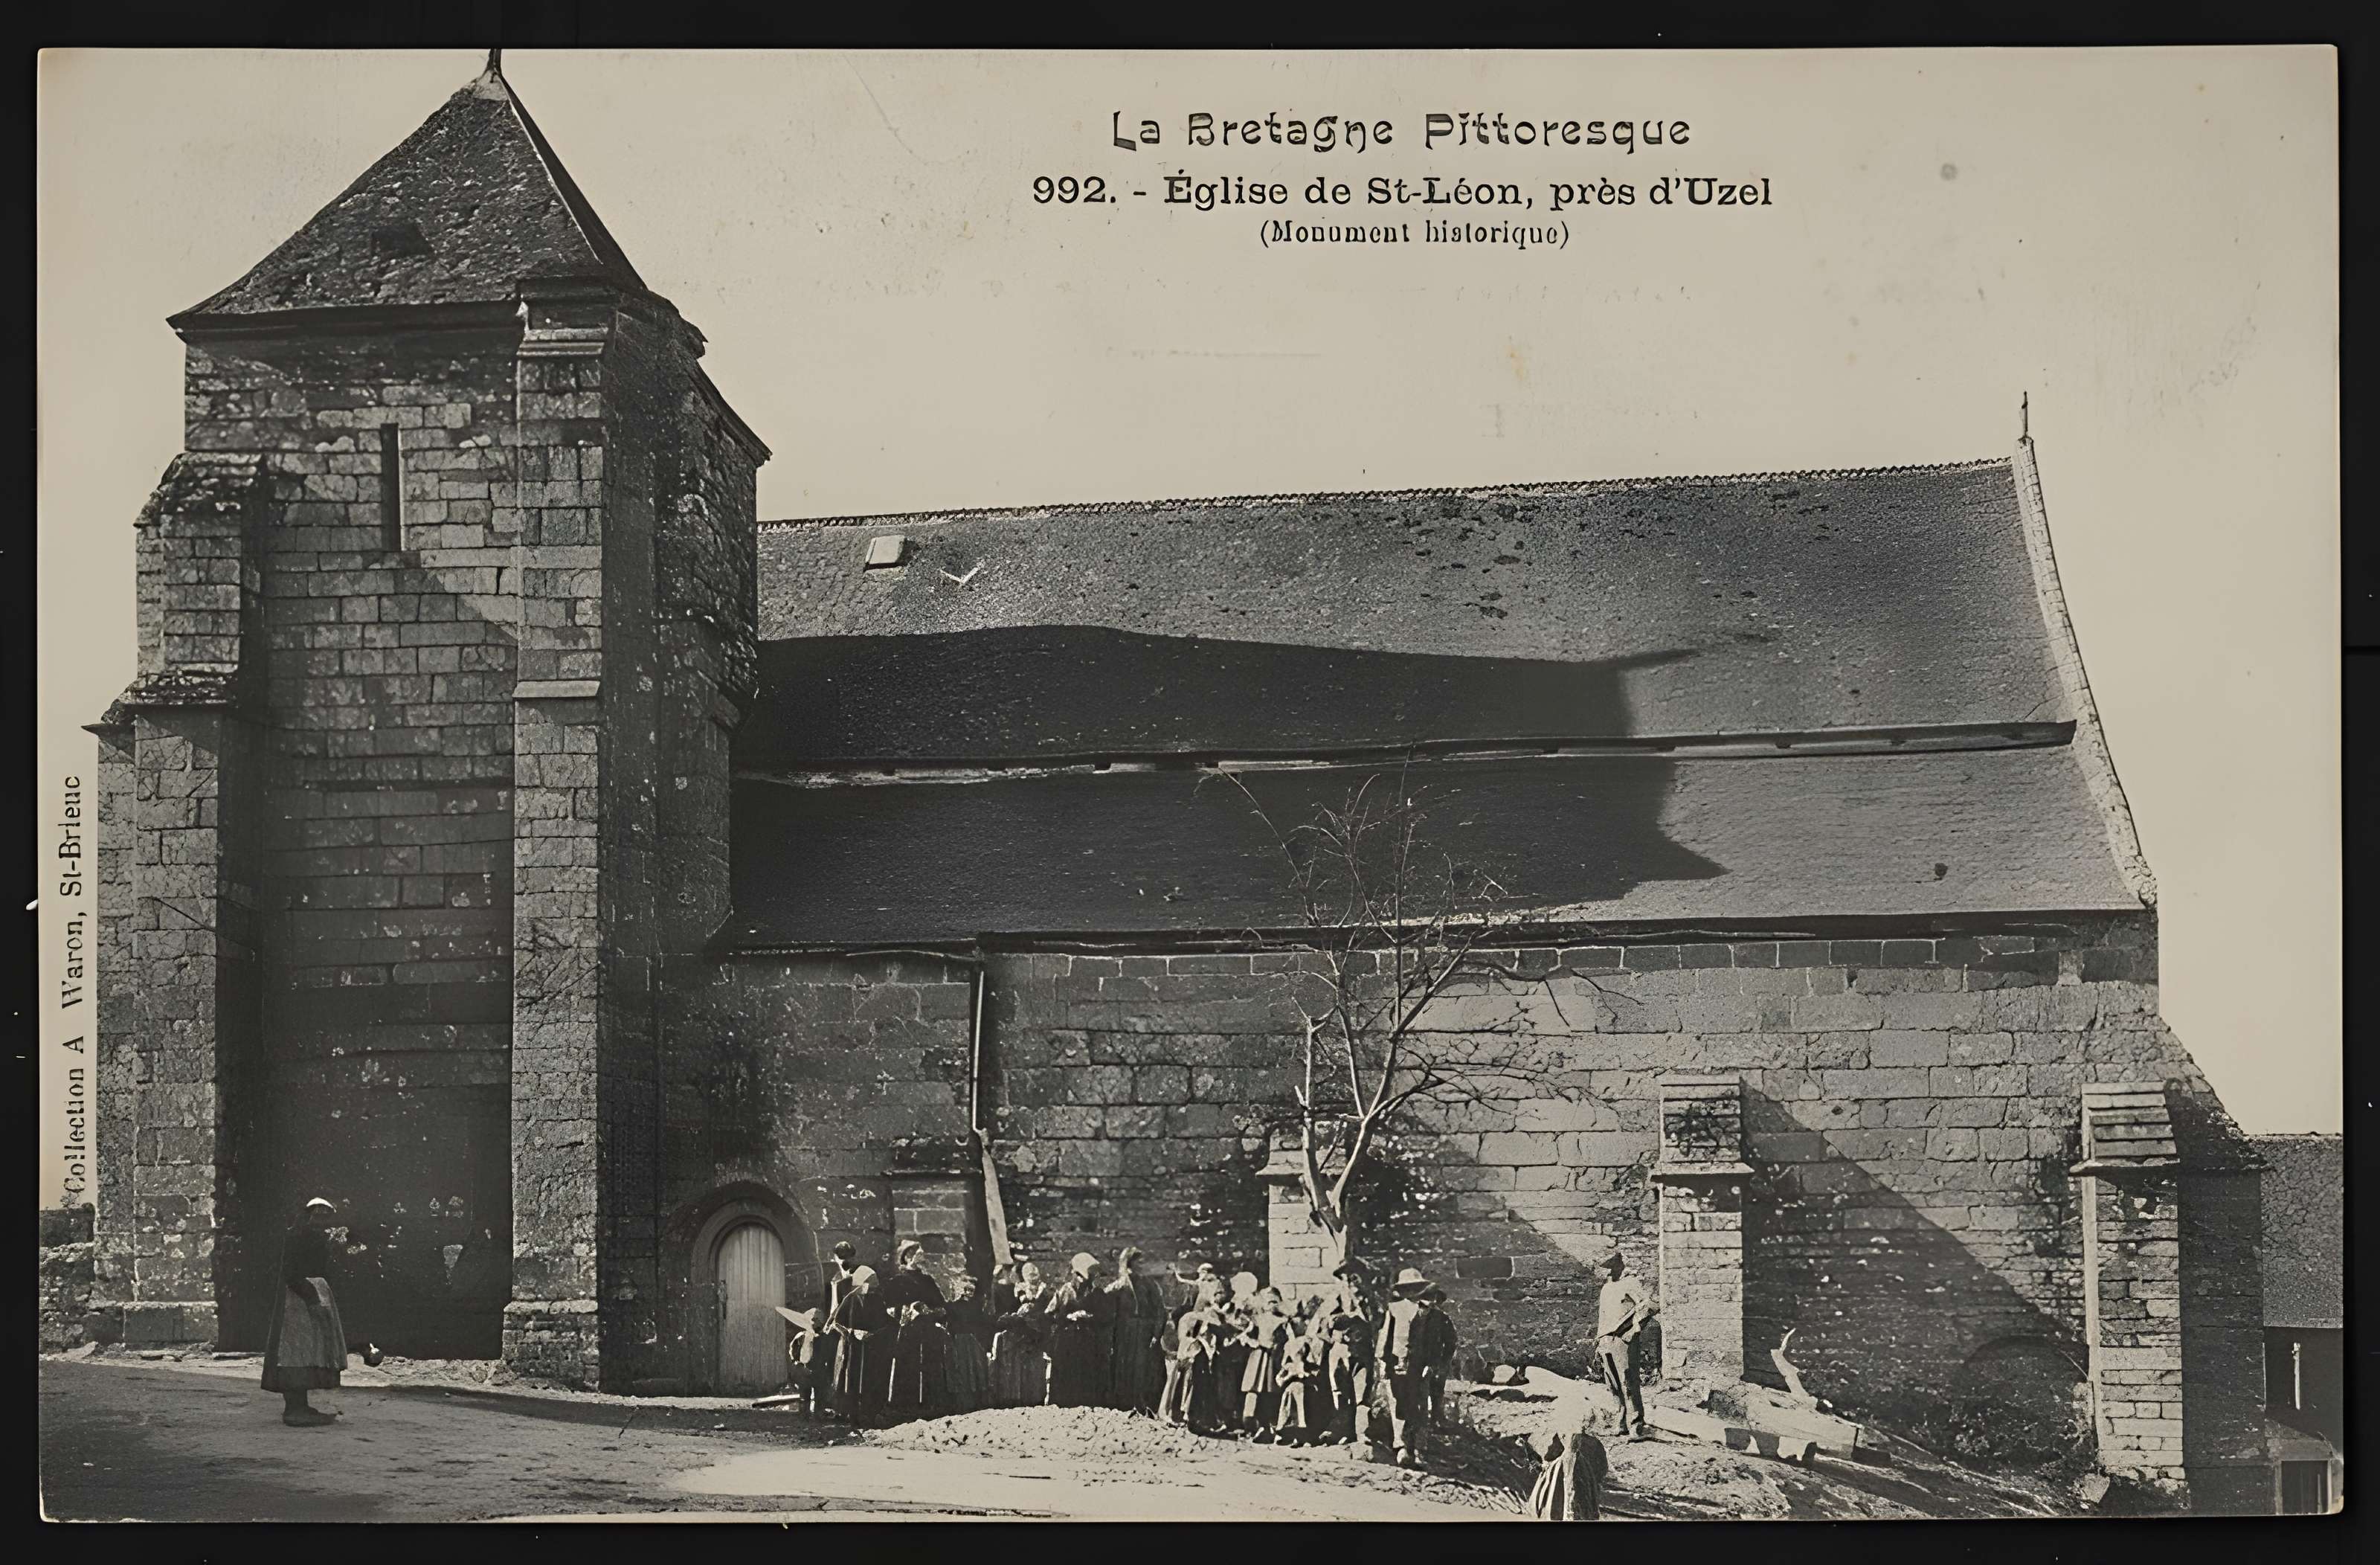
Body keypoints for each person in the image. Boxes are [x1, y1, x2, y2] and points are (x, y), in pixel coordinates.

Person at [261, 1198, 351, 1427]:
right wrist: (311, 1298)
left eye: (325, 1216)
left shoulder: (316, 1237)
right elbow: (292, 1273)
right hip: (297, 1299)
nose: (320, 1221)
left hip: (311, 1295)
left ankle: (300, 1405)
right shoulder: (296, 1236)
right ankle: (294, 1409)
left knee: (309, 1350)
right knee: (295, 1351)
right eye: (317, 1215)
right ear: (308, 1214)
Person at [878, 1240, 951, 1420]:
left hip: (928, 1332)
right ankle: (905, 1405)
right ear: (908, 1257)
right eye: (918, 1252)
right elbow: (887, 1308)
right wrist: (909, 1309)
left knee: (929, 1364)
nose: (922, 1255)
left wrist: (929, 1311)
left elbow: (942, 1307)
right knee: (907, 1365)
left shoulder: (928, 1281)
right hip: (907, 1331)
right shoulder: (897, 1281)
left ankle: (930, 1403)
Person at [1592, 1250, 1659, 1442]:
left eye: (1611, 1267)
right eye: (1605, 1269)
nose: (1609, 1272)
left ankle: (1636, 1425)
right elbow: (1603, 1317)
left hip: (1623, 1340)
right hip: (1606, 1340)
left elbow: (1650, 1305)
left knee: (1628, 1382)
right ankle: (1620, 1423)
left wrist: (1634, 1329)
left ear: (1620, 1266)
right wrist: (1599, 1339)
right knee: (1612, 1384)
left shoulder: (1630, 1284)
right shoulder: (1606, 1290)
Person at [1376, 1266, 1436, 1468]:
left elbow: (1432, 1341)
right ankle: (1401, 1448)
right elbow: (1385, 1337)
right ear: (1401, 1291)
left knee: (1419, 1405)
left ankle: (1418, 1449)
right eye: (1407, 1288)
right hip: (1398, 1366)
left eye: (1415, 1288)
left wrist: (1431, 1365)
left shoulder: (1426, 1311)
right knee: (1398, 1405)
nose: (1411, 1292)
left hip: (1419, 1367)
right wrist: (1383, 1363)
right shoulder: (1394, 1309)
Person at [1322, 1258, 1382, 1453]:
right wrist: (1336, 1321)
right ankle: (1339, 1430)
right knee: (1339, 1392)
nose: (1350, 1282)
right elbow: (1322, 1325)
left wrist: (1359, 1313)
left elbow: (1377, 1323)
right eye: (1345, 1278)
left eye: (1354, 1278)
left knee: (1361, 1393)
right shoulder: (1335, 1297)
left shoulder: (1370, 1299)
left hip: (1361, 1352)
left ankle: (1362, 1432)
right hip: (1339, 1350)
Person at [1046, 1251, 1116, 1407]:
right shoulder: (1065, 1291)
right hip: (1067, 1340)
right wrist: (1068, 1317)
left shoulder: (1096, 1292)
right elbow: (1050, 1313)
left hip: (1088, 1340)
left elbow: (1106, 1316)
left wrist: (1089, 1317)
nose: (1084, 1279)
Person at [1105, 1247, 1167, 1414]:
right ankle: (1125, 1402)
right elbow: (1107, 1310)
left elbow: (1160, 1311)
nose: (1142, 1265)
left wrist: (1156, 1334)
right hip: (1125, 1333)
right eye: (1138, 1262)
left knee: (1144, 1367)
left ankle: (1145, 1403)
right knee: (1125, 1366)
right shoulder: (1118, 1286)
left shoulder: (1149, 1285)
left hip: (1145, 1333)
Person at [828, 1264, 890, 1424]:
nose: (874, 1288)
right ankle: (850, 1414)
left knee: (870, 1379)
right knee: (851, 1379)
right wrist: (852, 1332)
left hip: (871, 1348)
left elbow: (884, 1323)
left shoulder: (877, 1300)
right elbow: (835, 1323)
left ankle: (869, 1413)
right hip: (852, 1347)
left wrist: (875, 1335)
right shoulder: (850, 1299)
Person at [990, 1262, 1051, 1407]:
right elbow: (1023, 1303)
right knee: (1018, 1366)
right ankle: (1016, 1396)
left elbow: (1046, 1306)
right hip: (1022, 1329)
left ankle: (1033, 1395)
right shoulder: (1020, 1288)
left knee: (1034, 1365)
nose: (1033, 1273)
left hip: (1037, 1328)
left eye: (1035, 1270)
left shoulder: (1045, 1288)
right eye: (1029, 1272)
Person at [1528, 1413, 1609, 1520]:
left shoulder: (1565, 1440)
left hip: (1566, 1480)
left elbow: (1550, 1456)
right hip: (1581, 1482)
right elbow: (1601, 1469)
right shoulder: (1593, 1443)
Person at [1238, 1287, 1292, 1440]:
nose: (1271, 1305)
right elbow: (1244, 1335)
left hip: (1274, 1359)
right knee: (1253, 1391)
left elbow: (1291, 1339)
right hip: (1258, 1358)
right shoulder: (1258, 1319)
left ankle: (1270, 1427)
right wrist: (1251, 1342)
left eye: (1275, 1301)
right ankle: (1251, 1425)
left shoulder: (1283, 1321)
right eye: (1268, 1301)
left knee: (1271, 1392)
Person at [1273, 1298, 1326, 1446]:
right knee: (1291, 1392)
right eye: (1292, 1324)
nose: (1295, 1327)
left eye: (1298, 1322)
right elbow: (1284, 1366)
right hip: (1293, 1381)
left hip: (1308, 1381)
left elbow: (1316, 1365)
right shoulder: (1290, 1344)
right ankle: (1290, 1433)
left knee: (1302, 1392)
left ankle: (1307, 1435)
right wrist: (1289, 1373)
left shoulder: (1312, 1342)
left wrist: (1305, 1372)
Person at [943, 1276, 993, 1415]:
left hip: (966, 1340)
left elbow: (980, 1323)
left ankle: (969, 1402)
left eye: (972, 1291)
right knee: (968, 1369)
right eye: (968, 1290)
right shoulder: (960, 1306)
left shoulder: (968, 1306)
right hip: (965, 1340)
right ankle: (968, 1402)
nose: (970, 1294)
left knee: (968, 1370)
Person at [821, 1239, 859, 1415]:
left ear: (853, 1257)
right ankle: (837, 1406)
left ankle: (852, 1406)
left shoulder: (859, 1277)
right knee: (836, 1365)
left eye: (848, 1257)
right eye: (840, 1258)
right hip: (837, 1327)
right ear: (835, 1258)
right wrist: (829, 1323)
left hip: (854, 1324)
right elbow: (832, 1306)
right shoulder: (835, 1280)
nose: (844, 1261)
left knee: (852, 1365)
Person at [1416, 1285, 1458, 1429]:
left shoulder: (1442, 1319)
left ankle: (1436, 1418)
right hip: (1418, 1361)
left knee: (1437, 1391)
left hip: (1436, 1361)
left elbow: (1451, 1341)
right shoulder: (1415, 1317)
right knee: (1419, 1392)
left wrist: (1444, 1362)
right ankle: (1421, 1424)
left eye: (1436, 1300)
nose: (1433, 1303)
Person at [786, 1307, 829, 1415]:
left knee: (820, 1394)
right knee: (804, 1394)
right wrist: (797, 1363)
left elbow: (829, 1354)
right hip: (805, 1369)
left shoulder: (825, 1338)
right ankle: (804, 1414)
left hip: (819, 1370)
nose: (814, 1323)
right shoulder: (802, 1337)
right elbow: (793, 1350)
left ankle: (819, 1414)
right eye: (812, 1320)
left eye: (817, 1320)